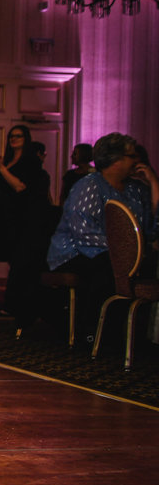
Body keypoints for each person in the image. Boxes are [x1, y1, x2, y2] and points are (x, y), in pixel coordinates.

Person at [47, 132, 159, 342]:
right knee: (107, 269)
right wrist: (125, 254)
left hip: (122, 254)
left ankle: (136, 333)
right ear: (115, 160)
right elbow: (84, 232)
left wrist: (153, 184)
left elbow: (150, 231)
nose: (137, 161)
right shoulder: (89, 185)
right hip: (76, 251)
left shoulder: (135, 190)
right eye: (131, 156)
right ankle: (93, 332)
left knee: (143, 266)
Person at [0, 125, 51, 324]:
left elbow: (19, 186)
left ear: (26, 139)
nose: (14, 139)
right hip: (7, 216)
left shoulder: (30, 162)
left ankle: (16, 304)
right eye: (11, 136)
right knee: (13, 260)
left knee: (22, 261)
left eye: (18, 136)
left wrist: (1, 169)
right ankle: (16, 304)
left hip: (25, 217)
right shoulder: (7, 161)